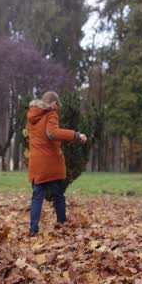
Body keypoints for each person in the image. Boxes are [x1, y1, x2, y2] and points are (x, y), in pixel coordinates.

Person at [26, 91, 87, 237]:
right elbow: (52, 133)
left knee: (37, 196)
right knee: (58, 194)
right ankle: (61, 224)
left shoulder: (32, 115)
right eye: (57, 105)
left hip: (36, 162)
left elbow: (35, 135)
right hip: (50, 162)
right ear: (53, 103)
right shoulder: (51, 112)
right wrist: (76, 135)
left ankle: (33, 230)